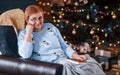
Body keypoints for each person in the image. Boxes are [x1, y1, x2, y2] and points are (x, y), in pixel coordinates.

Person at [18, 5, 105, 75]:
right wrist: (29, 33)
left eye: (40, 17)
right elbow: (25, 55)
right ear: (27, 20)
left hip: (66, 59)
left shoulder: (50, 27)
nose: (38, 21)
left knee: (91, 64)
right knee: (80, 71)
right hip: (54, 64)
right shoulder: (23, 34)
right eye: (33, 19)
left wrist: (75, 55)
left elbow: (64, 45)